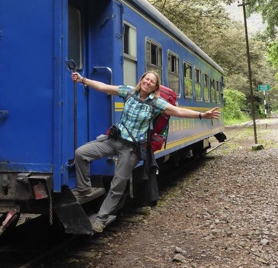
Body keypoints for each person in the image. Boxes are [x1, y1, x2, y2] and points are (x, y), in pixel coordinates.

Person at [71, 70, 220, 233]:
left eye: (152, 82)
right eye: (146, 79)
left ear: (155, 87)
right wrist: (83, 80)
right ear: (141, 79)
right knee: (81, 153)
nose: (148, 83)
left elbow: (178, 111)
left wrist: (202, 115)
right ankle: (84, 189)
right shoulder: (128, 91)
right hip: (114, 140)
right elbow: (105, 87)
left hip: (131, 149)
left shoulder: (156, 103)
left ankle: (101, 219)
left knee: (118, 183)